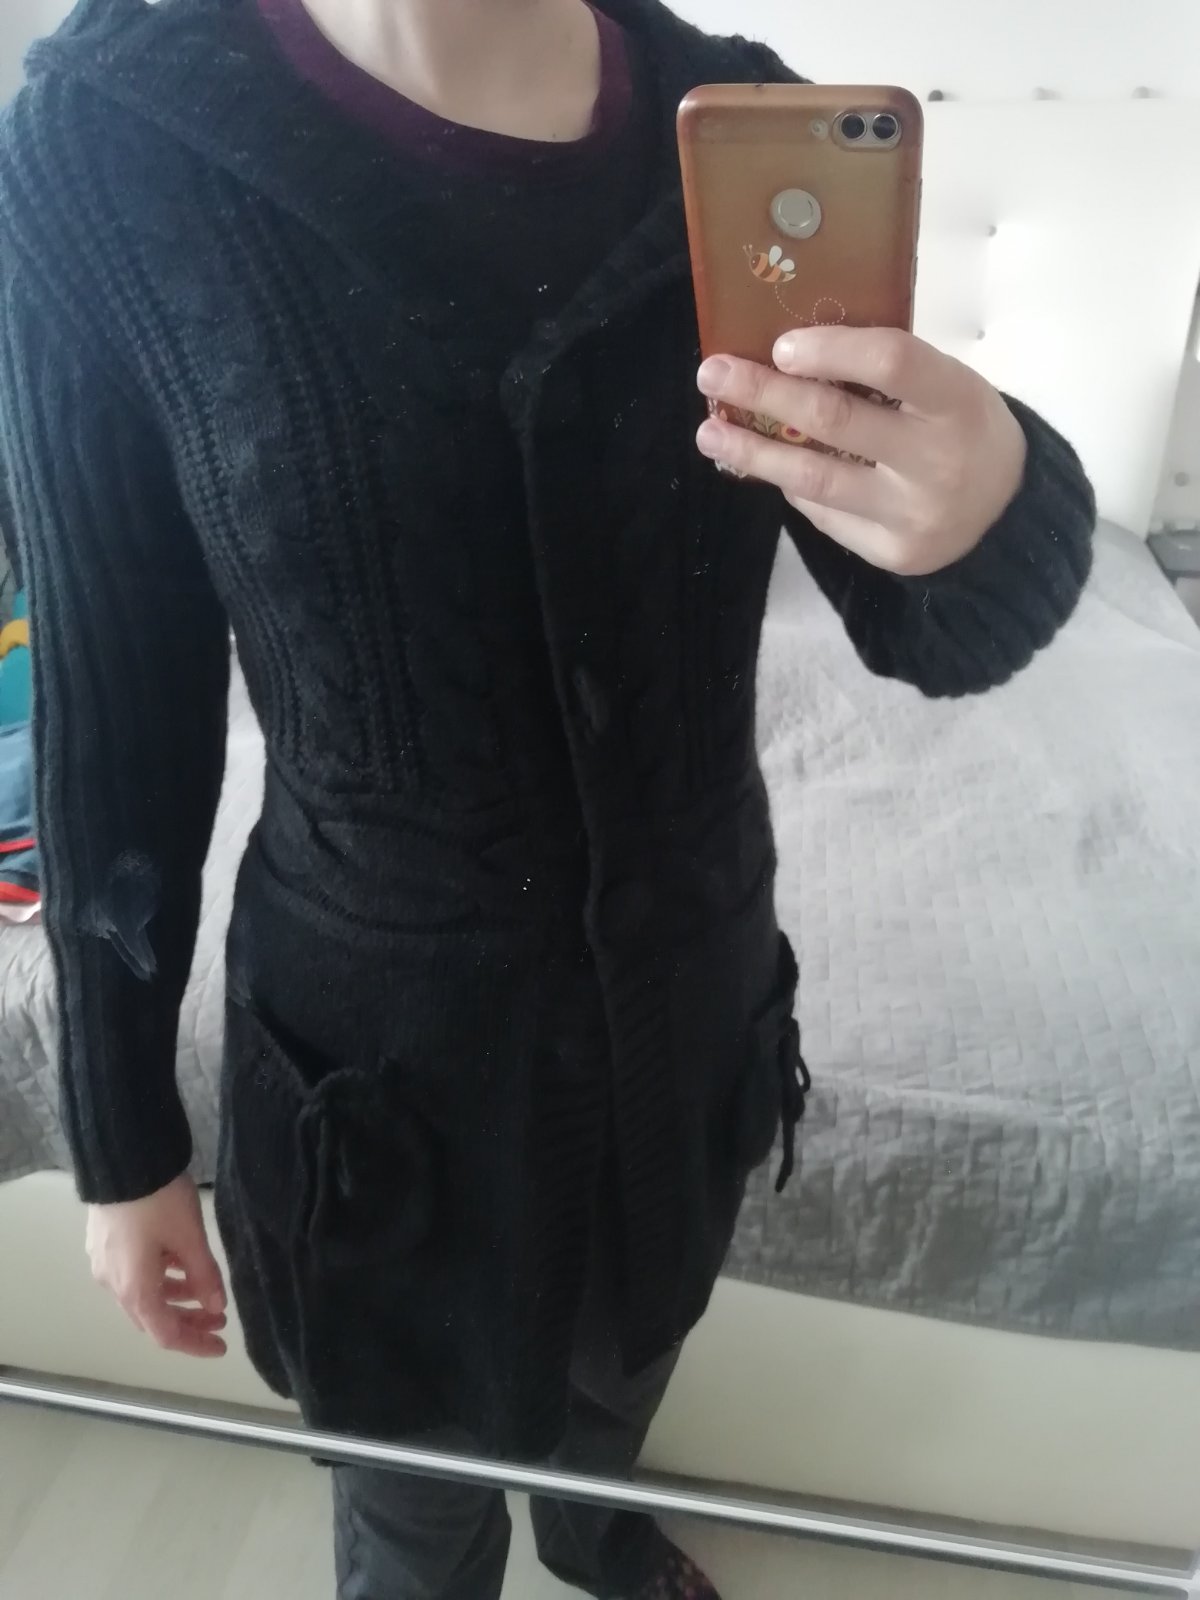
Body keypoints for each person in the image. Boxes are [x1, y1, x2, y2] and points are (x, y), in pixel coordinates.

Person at [0, 0, 1095, 1594]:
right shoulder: (107, 143)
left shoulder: (739, 134)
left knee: (621, 1389)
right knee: (410, 1515)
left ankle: (594, 1533)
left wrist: (997, 495)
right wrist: (120, 1134)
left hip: (688, 1023)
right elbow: (117, 696)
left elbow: (925, 619)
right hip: (373, 1083)